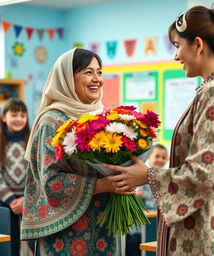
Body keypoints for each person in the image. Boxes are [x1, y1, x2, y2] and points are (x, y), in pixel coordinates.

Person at [106, 0, 214, 255]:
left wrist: (148, 176)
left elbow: (205, 173)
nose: (175, 56)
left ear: (197, 45)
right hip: (207, 225)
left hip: (212, 229)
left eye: (177, 46)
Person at [21, 48, 133, 256]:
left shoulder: (102, 118)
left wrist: (125, 178)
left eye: (99, 72)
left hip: (104, 227)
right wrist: (103, 185)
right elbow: (52, 182)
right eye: (88, 72)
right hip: (65, 233)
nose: (97, 79)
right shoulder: (52, 121)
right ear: (66, 78)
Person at [0, 98, 33, 256]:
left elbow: (36, 173)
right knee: (9, 243)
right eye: (14, 115)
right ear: (4, 117)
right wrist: (11, 200)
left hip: (30, 199)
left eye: (22, 115)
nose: (19, 119)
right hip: (5, 201)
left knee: (34, 242)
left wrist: (25, 199)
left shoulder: (32, 141)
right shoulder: (1, 142)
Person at [125, 144, 168, 256]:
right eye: (157, 156)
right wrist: (135, 195)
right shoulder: (142, 175)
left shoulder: (165, 179)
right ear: (149, 157)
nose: (160, 160)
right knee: (135, 245)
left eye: (163, 158)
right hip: (139, 225)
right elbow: (133, 193)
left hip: (155, 223)